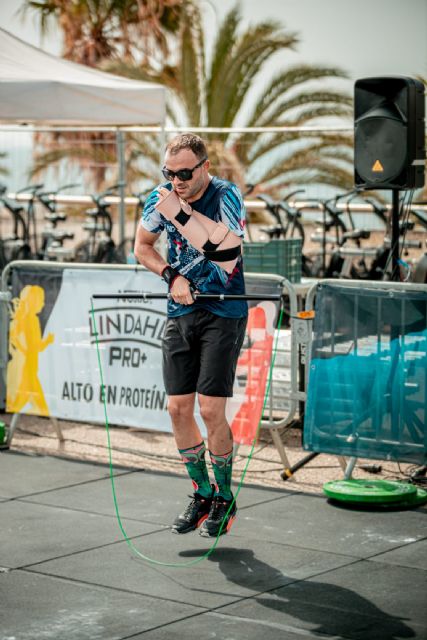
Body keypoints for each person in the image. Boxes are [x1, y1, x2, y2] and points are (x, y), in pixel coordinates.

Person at [134, 133, 248, 537]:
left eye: (184, 173)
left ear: (205, 167)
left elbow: (227, 255)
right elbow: (143, 246)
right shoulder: (160, 196)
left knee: (211, 409)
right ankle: (202, 492)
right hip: (181, 310)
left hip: (223, 308)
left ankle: (225, 496)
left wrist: (178, 212)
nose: (176, 181)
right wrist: (171, 275)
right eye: (169, 173)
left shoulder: (226, 196)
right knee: (178, 408)